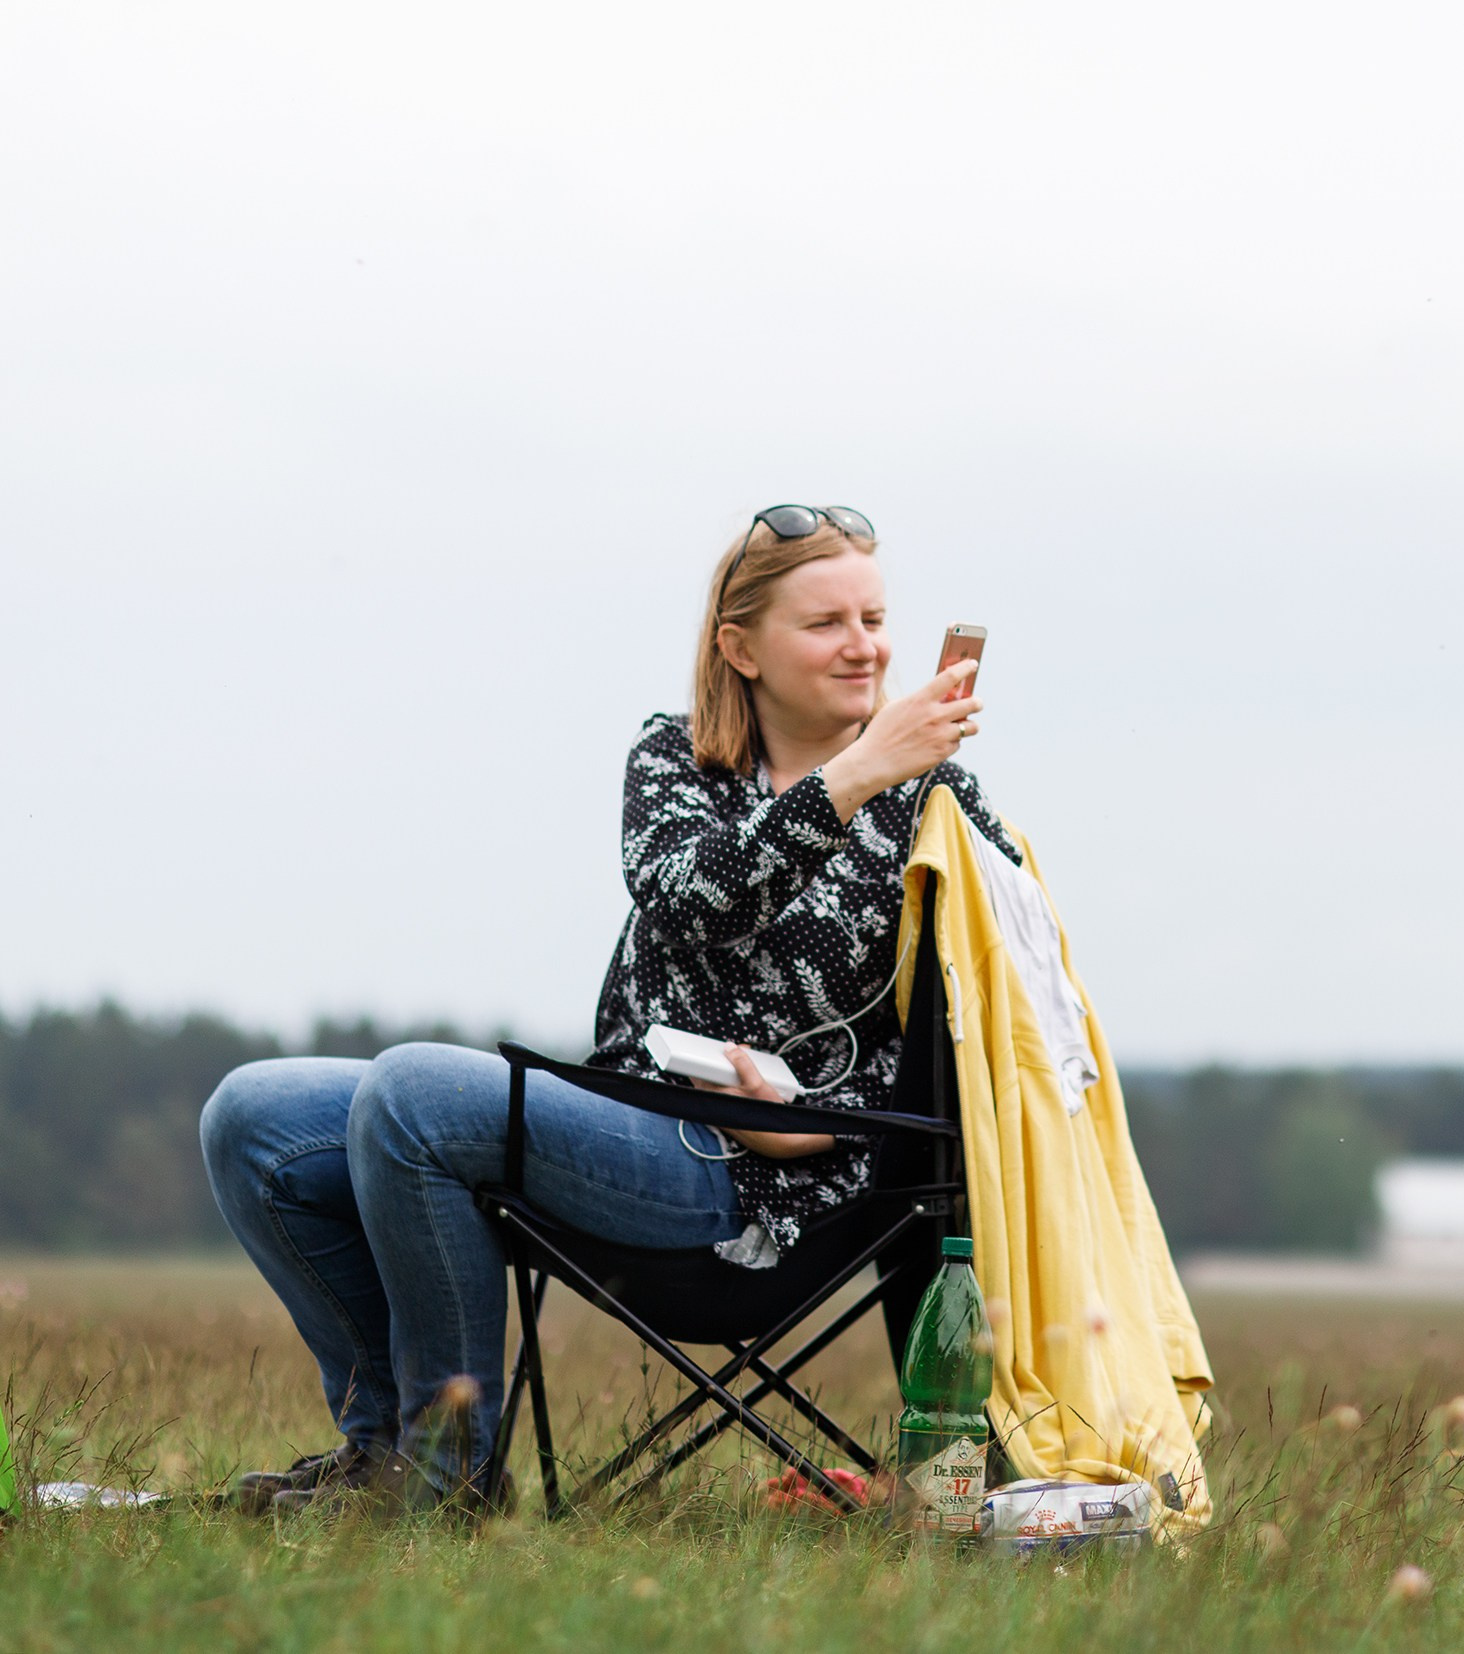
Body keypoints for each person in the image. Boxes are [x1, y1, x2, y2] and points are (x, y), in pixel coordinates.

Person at [199, 502, 1009, 1515]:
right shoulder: (676, 760)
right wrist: (849, 779)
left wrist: (805, 1118)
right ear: (738, 646)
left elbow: (987, 1029)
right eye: (827, 622)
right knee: (253, 1112)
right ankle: (378, 1454)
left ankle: (442, 1483)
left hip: (770, 1187)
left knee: (413, 1088)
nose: (865, 647)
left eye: (875, 618)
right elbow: (686, 895)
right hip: (635, 1120)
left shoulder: (941, 807)